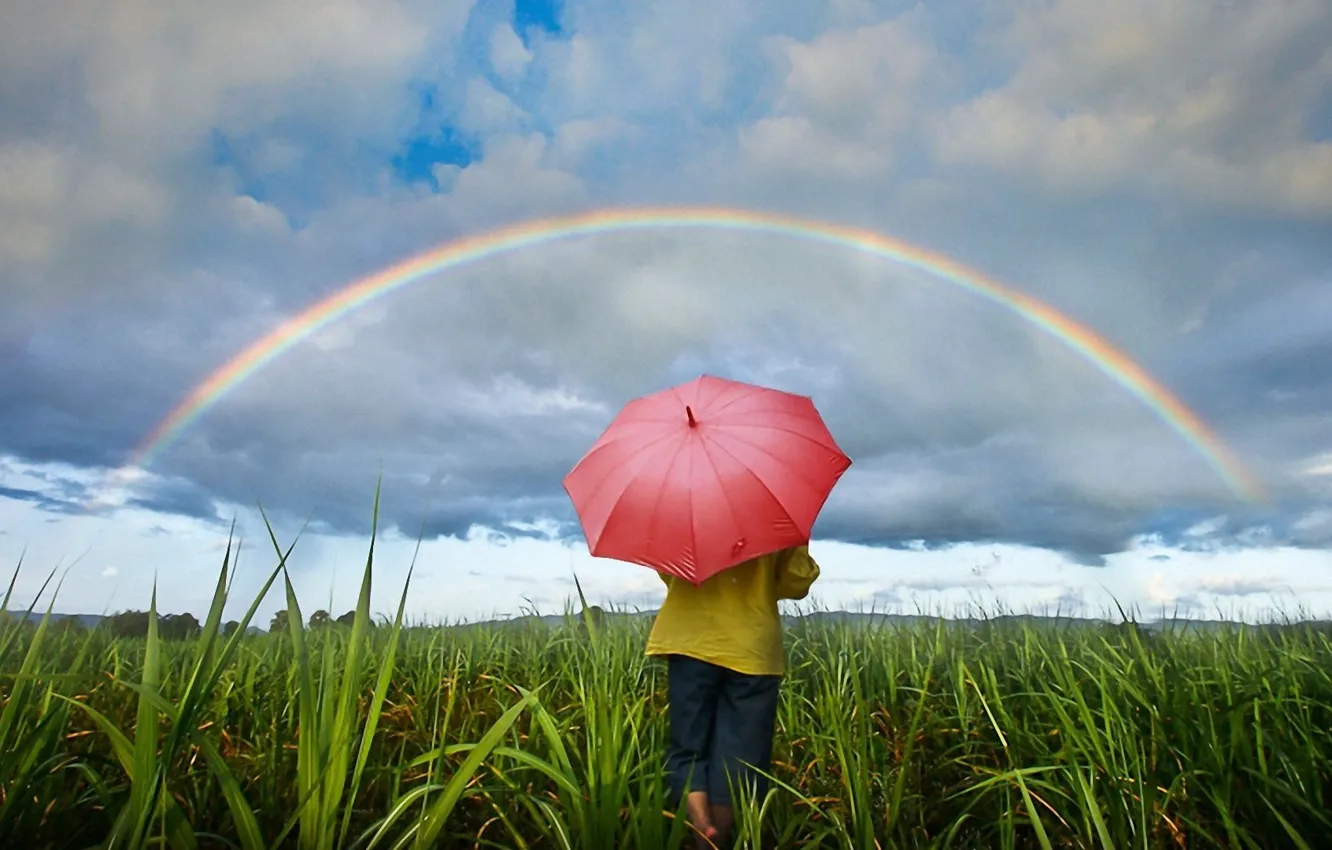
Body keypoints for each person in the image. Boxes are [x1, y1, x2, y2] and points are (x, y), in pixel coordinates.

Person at [645, 544, 821, 848]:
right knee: (740, 756)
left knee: (688, 747)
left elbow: (669, 572)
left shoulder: (687, 503)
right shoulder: (778, 513)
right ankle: (720, 839)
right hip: (750, 646)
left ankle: (701, 825)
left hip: (690, 639)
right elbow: (795, 584)